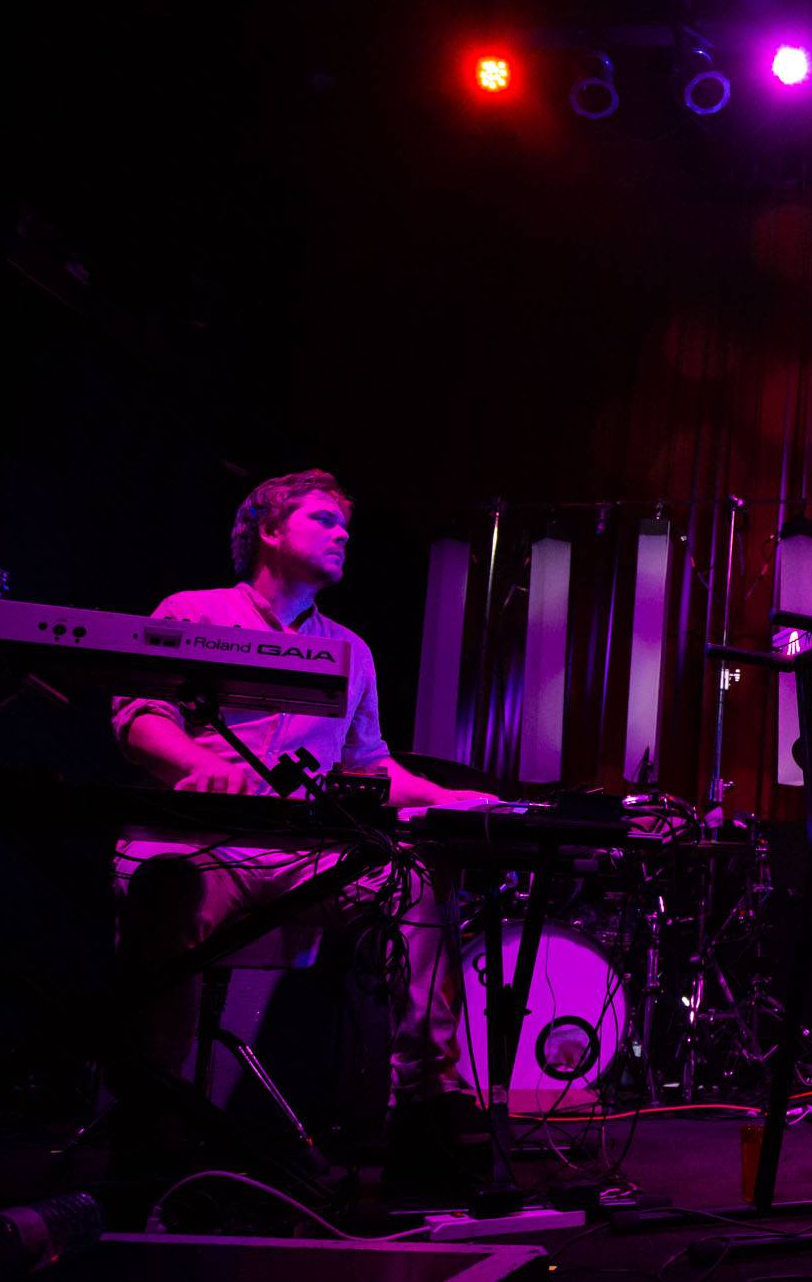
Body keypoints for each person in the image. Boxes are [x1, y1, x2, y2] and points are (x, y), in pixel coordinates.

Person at [111, 469, 498, 1188]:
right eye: (324, 520)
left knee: (411, 873)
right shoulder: (192, 610)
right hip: (201, 841)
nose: (344, 533)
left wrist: (449, 795)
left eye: (344, 524)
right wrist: (198, 764)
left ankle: (426, 1107)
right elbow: (139, 719)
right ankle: (155, 1128)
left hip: (302, 856)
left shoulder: (352, 649)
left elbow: (369, 765)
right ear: (268, 529)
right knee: (167, 887)